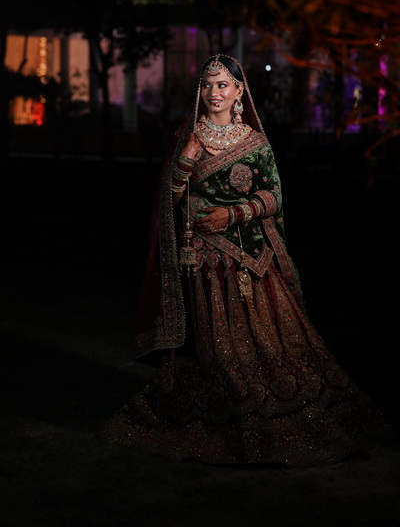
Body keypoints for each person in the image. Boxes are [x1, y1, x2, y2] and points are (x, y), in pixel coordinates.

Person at [103, 54, 394, 467]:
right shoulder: (187, 138)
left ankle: (282, 406)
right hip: (205, 263)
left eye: (223, 84)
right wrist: (186, 160)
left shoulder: (255, 141)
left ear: (239, 91)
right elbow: (168, 202)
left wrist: (232, 214)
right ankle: (230, 409)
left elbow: (274, 197)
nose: (214, 93)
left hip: (255, 258)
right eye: (207, 84)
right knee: (217, 353)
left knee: (276, 344)